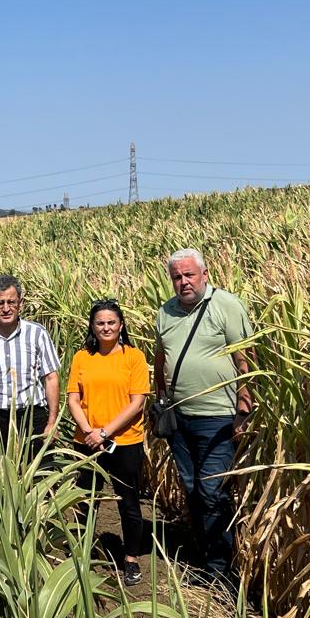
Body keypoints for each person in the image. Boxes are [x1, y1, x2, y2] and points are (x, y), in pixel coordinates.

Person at [153, 248, 255, 583]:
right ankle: (207, 558)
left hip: (217, 416)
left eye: (189, 275)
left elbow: (245, 355)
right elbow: (161, 356)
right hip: (180, 416)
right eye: (177, 277)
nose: (183, 282)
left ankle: (220, 570)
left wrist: (244, 404)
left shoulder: (226, 305)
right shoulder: (165, 313)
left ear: (205, 274)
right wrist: (161, 397)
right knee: (193, 488)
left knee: (213, 491)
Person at [66, 299, 152, 587]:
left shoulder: (134, 357)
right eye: (100, 322)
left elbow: (137, 402)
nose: (106, 327)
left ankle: (130, 559)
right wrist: (89, 431)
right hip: (86, 440)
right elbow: (73, 399)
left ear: (121, 325)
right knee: (86, 499)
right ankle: (83, 552)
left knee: (128, 502)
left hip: (125, 441)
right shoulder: (82, 357)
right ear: (92, 326)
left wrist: (104, 433)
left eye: (111, 322)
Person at [0, 274, 60, 444]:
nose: (6, 308)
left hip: (32, 417)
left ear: (20, 303)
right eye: (0, 303)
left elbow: (51, 378)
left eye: (11, 302)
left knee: (39, 469)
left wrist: (52, 423)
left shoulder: (37, 333)